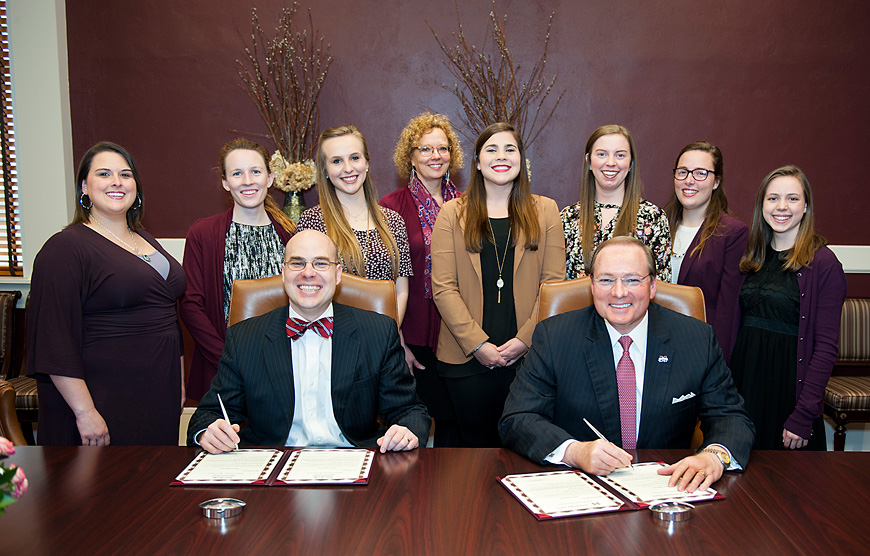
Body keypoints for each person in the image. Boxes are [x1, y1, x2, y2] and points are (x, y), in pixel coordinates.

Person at [500, 237, 754, 492]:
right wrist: (574, 451)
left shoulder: (696, 338)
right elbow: (518, 417)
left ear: (652, 286)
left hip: (667, 488)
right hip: (582, 488)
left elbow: (731, 417)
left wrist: (713, 456)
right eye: (606, 280)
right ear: (591, 285)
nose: (619, 292)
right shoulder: (555, 337)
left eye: (632, 280)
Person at [187, 230, 430, 454]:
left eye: (321, 263)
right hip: (273, 466)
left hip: (354, 462)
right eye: (297, 263)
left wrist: (406, 430)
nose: (308, 272)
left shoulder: (377, 332)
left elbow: (410, 411)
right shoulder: (244, 338)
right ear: (283, 273)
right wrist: (208, 431)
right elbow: (209, 414)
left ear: (337, 275)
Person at [26, 142, 186, 446]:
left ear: (136, 187)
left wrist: (176, 382)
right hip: (104, 396)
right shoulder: (65, 248)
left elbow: (166, 314)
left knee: (151, 485)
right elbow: (53, 339)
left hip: (156, 393)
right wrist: (85, 411)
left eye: (125, 174)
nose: (116, 181)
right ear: (84, 187)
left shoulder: (144, 239)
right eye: (104, 173)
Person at [431, 122, 566, 448]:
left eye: (510, 149)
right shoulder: (452, 213)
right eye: (491, 149)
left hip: (529, 358)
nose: (501, 156)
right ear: (477, 161)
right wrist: (478, 344)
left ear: (521, 160)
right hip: (466, 359)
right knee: (472, 453)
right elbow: (443, 287)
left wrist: (524, 340)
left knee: (524, 449)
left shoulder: (545, 210)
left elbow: (554, 286)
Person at [730, 166, 846, 451]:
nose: (781, 207)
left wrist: (804, 413)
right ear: (762, 205)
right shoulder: (751, 256)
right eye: (773, 199)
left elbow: (826, 347)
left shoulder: (824, 263)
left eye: (792, 199)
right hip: (745, 388)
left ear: (805, 206)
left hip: (789, 394)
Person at [180, 138, 296, 402]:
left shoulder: (291, 234)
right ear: (225, 182)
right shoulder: (203, 233)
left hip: (284, 367)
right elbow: (190, 305)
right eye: (237, 173)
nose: (247, 181)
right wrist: (228, 359)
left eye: (255, 171)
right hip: (223, 368)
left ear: (270, 177)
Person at [381, 113, 463, 446]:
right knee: (414, 422)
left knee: (454, 423)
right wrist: (396, 340)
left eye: (442, 148)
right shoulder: (391, 206)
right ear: (410, 156)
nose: (435, 156)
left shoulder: (467, 204)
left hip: (457, 330)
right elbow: (385, 280)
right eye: (425, 148)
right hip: (413, 331)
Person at [296, 125, 413, 350]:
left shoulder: (393, 221)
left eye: (355, 158)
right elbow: (307, 287)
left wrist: (388, 333)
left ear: (367, 163)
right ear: (325, 170)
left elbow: (401, 288)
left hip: (384, 342)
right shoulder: (312, 222)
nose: (348, 168)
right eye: (336, 161)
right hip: (332, 343)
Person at [664, 141, 748, 362]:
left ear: (716, 182)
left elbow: (728, 310)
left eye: (701, 173)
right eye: (683, 172)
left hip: (699, 349)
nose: (689, 180)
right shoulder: (658, 224)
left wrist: (715, 361)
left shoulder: (732, 233)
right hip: (655, 344)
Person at [561, 125, 671, 281]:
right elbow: (557, 287)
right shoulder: (567, 218)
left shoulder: (653, 218)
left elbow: (661, 285)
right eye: (602, 154)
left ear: (631, 163)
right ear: (589, 162)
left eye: (620, 155)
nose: (611, 162)